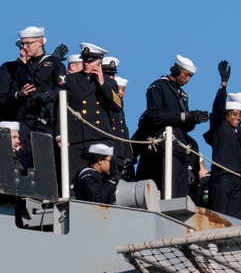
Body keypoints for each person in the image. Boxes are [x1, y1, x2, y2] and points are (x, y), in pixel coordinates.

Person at [133, 55, 208, 198]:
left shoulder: (183, 94)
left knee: (179, 191)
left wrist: (193, 119)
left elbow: (183, 125)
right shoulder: (158, 86)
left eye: (190, 76)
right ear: (175, 70)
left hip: (179, 146)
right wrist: (185, 116)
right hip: (162, 143)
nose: (188, 79)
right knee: (166, 187)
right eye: (186, 75)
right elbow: (154, 116)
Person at [64, 43, 123, 177]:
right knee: (76, 179)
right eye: (84, 59)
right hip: (77, 137)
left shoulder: (110, 83)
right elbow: (60, 107)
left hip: (99, 137)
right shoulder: (71, 79)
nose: (86, 63)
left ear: (100, 62)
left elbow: (118, 106)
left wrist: (102, 83)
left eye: (91, 61)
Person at [12, 26, 67, 137]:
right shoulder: (21, 69)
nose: (25, 47)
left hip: (45, 118)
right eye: (23, 44)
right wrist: (20, 94)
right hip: (24, 119)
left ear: (40, 42)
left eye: (28, 43)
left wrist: (48, 95)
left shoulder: (55, 65)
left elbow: (63, 89)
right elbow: (11, 94)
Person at [206, 100, 241, 221]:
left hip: (238, 179)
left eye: (239, 114)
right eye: (234, 114)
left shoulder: (239, 134)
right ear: (226, 115)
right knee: (220, 216)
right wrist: (223, 87)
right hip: (223, 177)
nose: (238, 117)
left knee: (237, 219)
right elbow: (216, 112)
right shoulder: (220, 128)